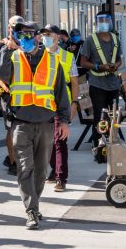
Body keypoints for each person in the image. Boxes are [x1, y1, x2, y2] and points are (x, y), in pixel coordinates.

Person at [0, 21, 71, 230]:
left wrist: (64, 120)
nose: (26, 38)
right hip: (21, 123)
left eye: (29, 34)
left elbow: (61, 94)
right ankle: (31, 210)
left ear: (38, 36)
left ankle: (34, 206)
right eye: (22, 34)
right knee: (25, 168)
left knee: (40, 171)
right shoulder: (13, 57)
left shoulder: (53, 61)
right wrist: (6, 48)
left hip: (46, 123)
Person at [41, 24, 79, 192]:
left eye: (49, 34)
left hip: (61, 105)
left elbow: (75, 82)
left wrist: (74, 103)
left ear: (57, 36)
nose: (45, 38)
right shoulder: (39, 55)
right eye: (44, 35)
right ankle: (54, 170)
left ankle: (61, 177)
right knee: (46, 141)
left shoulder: (67, 57)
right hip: (43, 104)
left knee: (59, 140)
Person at [79, 12, 123, 144]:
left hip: (113, 84)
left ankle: (112, 141)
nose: (103, 23)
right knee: (100, 115)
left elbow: (120, 59)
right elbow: (83, 62)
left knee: (113, 115)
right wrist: (98, 66)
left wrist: (116, 65)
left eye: (106, 20)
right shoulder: (90, 40)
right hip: (97, 84)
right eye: (100, 20)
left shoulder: (115, 38)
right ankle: (99, 144)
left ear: (110, 22)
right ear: (96, 23)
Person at [0, 15, 26, 176]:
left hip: (24, 91)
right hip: (8, 92)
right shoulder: (2, 45)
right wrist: (6, 88)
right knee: (11, 128)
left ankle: (18, 159)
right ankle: (13, 163)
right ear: (9, 28)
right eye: (14, 28)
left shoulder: (25, 43)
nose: (17, 31)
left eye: (20, 27)